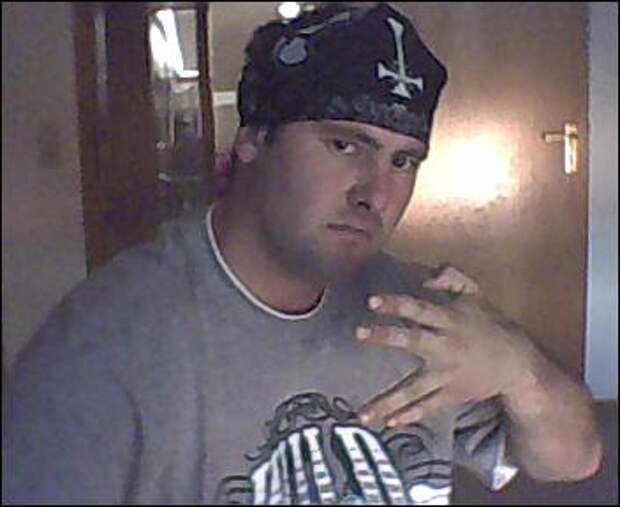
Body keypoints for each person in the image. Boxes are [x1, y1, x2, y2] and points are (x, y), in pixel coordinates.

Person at [2, 3, 602, 505]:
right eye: (344, 145)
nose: (376, 193)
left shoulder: (416, 316)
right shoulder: (108, 347)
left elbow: (573, 461)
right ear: (253, 139)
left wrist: (519, 368)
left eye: (403, 160)